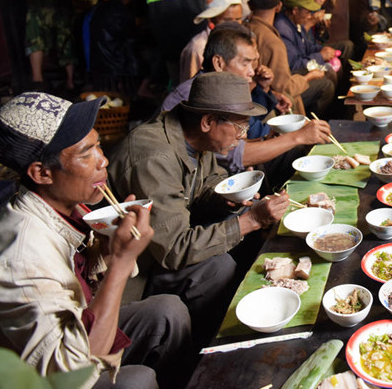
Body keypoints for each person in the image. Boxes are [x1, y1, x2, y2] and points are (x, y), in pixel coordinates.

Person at [0, 92, 191, 389]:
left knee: (167, 313)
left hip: (74, 330)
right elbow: (70, 372)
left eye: (98, 147)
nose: (103, 160)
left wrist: (106, 252)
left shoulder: (63, 205)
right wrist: (121, 263)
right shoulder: (18, 262)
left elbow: (80, 288)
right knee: (139, 381)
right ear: (42, 173)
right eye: (86, 154)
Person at [107, 72, 290, 346]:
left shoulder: (194, 138)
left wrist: (226, 196)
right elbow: (173, 248)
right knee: (218, 266)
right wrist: (251, 220)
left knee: (235, 231)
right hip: (137, 269)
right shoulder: (154, 156)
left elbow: (205, 181)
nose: (241, 138)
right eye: (239, 129)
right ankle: (200, 347)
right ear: (207, 122)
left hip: (160, 245)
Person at [163, 24, 331, 181]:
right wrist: (298, 137)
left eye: (253, 62)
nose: (252, 71)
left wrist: (266, 136)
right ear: (218, 63)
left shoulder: (220, 87)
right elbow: (236, 155)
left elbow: (242, 138)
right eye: (245, 63)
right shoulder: (199, 96)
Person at [247, 0, 332, 115]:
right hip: (265, 100)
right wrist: (308, 77)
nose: (310, 15)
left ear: (249, 5)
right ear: (278, 6)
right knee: (325, 85)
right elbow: (284, 88)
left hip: (252, 95)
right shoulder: (273, 41)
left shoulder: (244, 30)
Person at [178, 0, 244, 83]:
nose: (234, 25)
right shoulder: (198, 48)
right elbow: (191, 89)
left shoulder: (242, 42)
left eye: (238, 19)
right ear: (211, 20)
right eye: (227, 20)